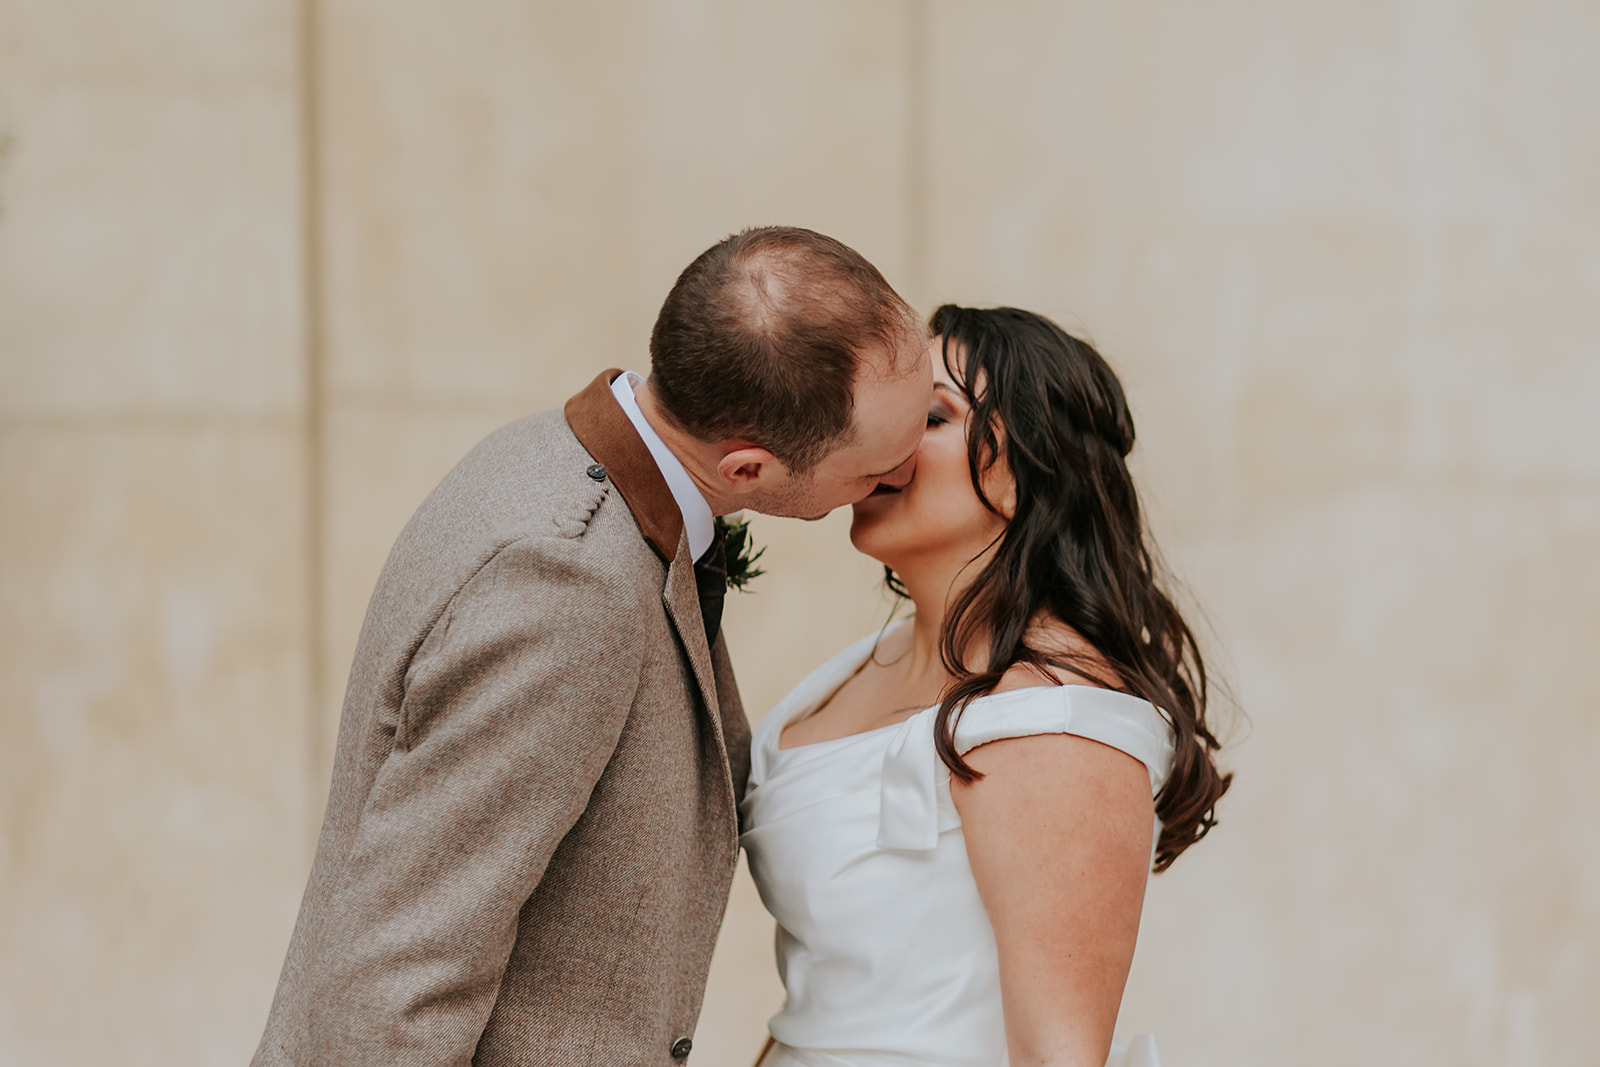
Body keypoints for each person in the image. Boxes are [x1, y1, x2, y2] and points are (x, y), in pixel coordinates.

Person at [251, 226, 932, 1066]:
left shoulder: (551, 454)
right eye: (874, 470)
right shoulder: (567, 584)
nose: (902, 477)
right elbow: (400, 975)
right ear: (748, 469)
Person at [741, 305, 1232, 1067]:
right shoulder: (857, 669)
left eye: (929, 416)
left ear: (1015, 473)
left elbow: (1058, 1056)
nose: (883, 444)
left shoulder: (1055, 721)